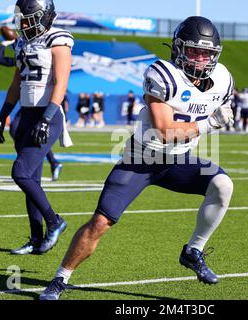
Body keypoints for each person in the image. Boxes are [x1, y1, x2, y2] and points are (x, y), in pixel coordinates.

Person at [40, 16, 235, 300]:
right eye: (194, 51)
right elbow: (166, 131)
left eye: (207, 53)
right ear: (179, 49)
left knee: (223, 185)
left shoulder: (222, 79)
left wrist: (224, 113)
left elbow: (221, 104)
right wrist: (209, 123)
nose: (201, 59)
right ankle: (60, 278)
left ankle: (193, 250)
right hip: (140, 160)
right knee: (100, 223)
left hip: (178, 161)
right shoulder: (163, 74)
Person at [0, 0, 73, 255]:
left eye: (28, 18)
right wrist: (2, 116)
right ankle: (36, 238)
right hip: (26, 114)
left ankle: (54, 221)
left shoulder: (58, 39)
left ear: (44, 16)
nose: (23, 23)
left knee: (21, 173)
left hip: (47, 113)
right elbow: (16, 83)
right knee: (32, 179)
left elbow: (61, 83)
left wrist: (47, 118)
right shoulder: (22, 42)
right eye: (22, 18)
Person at [0, 25, 64, 181]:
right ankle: (48, 162)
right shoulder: (21, 53)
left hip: (41, 100)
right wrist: (5, 43)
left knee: (24, 135)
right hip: (26, 99)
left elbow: (60, 83)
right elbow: (0, 61)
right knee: (22, 133)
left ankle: (49, 162)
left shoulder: (40, 50)